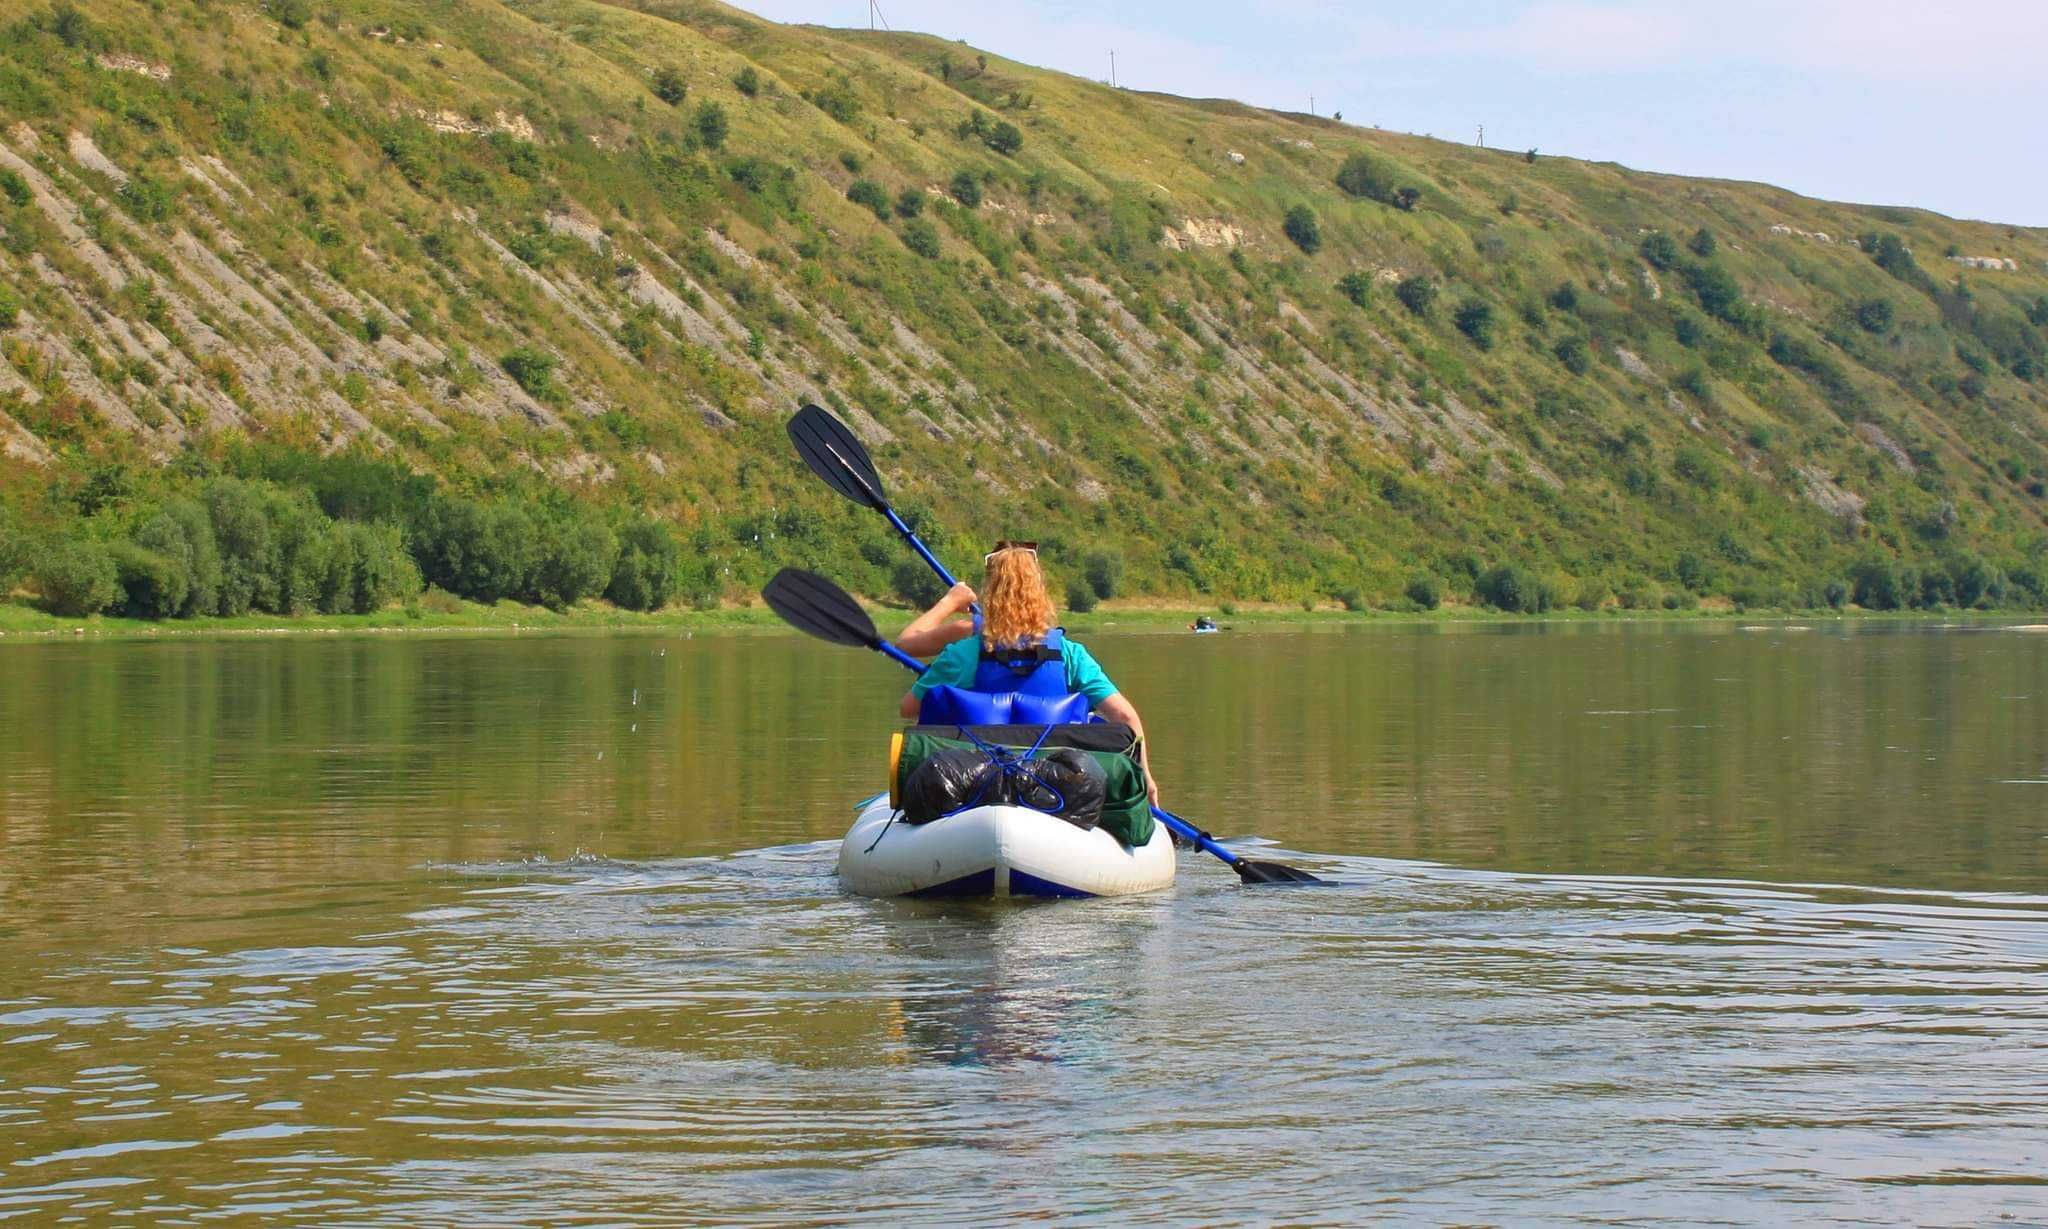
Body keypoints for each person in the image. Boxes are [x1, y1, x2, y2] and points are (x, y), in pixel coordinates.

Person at [895, 541, 1160, 806]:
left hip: (976, 783)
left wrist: (949, 602)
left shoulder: (962, 654)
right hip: (1055, 784)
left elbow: (909, 708)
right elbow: (1125, 716)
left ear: (990, 591)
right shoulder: (1070, 654)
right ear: (1040, 591)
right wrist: (1145, 777)